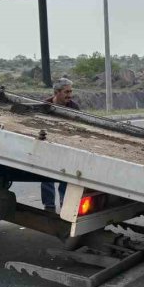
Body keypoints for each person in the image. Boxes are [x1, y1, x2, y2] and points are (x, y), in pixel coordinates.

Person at [41, 78, 80, 212]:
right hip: (48, 146)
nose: (69, 95)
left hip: (66, 147)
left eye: (71, 91)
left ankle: (64, 204)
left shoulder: (74, 107)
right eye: (66, 92)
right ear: (56, 92)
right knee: (46, 175)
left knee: (66, 176)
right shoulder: (44, 106)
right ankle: (49, 205)